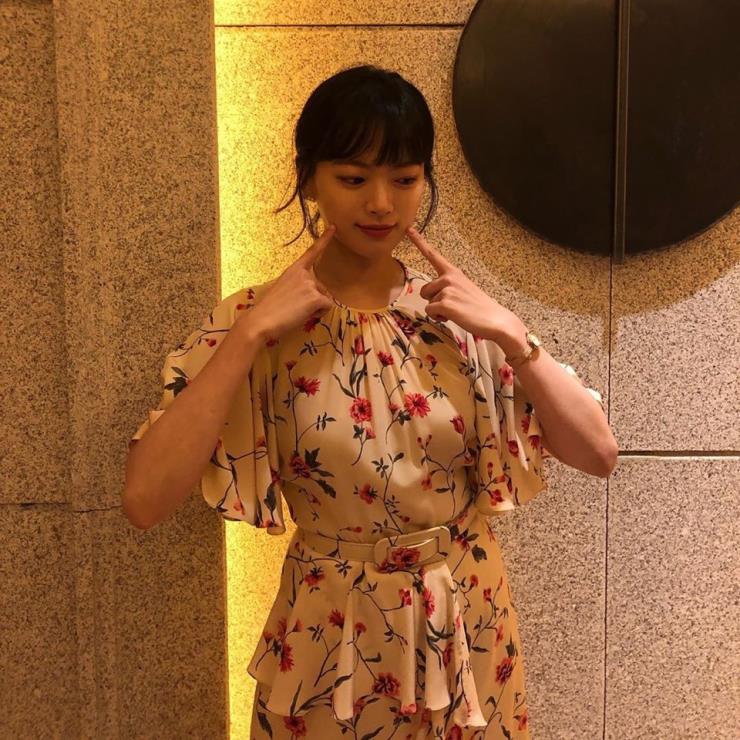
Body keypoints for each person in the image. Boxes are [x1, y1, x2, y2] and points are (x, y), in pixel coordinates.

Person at [123, 64, 616, 739]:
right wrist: (250, 335)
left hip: (465, 621)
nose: (381, 203)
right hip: (330, 633)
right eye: (353, 179)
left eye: (405, 179)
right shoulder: (255, 322)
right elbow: (145, 500)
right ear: (309, 180)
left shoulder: (456, 316)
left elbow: (598, 453)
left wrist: (509, 331)